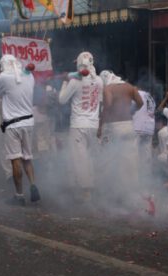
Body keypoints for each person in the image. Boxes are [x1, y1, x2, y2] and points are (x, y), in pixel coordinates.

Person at [0, 54, 41, 206]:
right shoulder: (30, 76)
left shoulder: (4, 77)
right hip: (28, 121)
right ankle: (33, 185)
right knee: (27, 158)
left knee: (15, 159)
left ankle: (19, 195)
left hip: (13, 124)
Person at [59, 52, 103, 202]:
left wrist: (65, 81)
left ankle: (87, 193)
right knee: (91, 157)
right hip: (94, 124)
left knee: (80, 158)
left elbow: (62, 100)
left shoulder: (75, 81)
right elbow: (100, 102)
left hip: (78, 125)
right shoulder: (99, 81)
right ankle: (96, 186)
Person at [132, 89, 156, 183]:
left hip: (138, 126)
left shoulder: (135, 93)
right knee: (146, 157)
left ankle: (135, 181)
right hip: (149, 128)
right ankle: (146, 181)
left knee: (134, 155)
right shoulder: (150, 96)